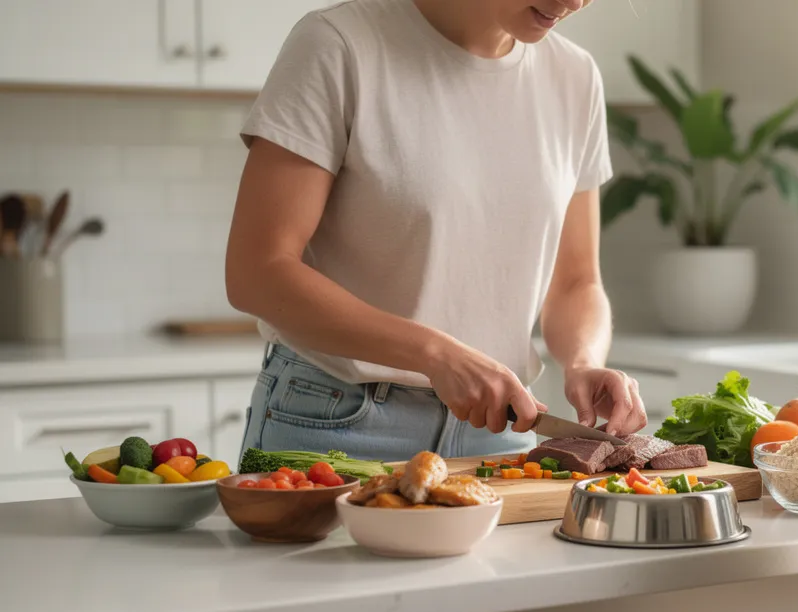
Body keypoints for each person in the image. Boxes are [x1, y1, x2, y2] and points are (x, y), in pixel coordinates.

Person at [225, 0, 647, 463]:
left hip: (498, 432)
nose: (571, 2)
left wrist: (584, 362)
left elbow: (575, 281)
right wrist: (435, 353)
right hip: (336, 423)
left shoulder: (575, 76)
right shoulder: (339, 44)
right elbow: (257, 272)